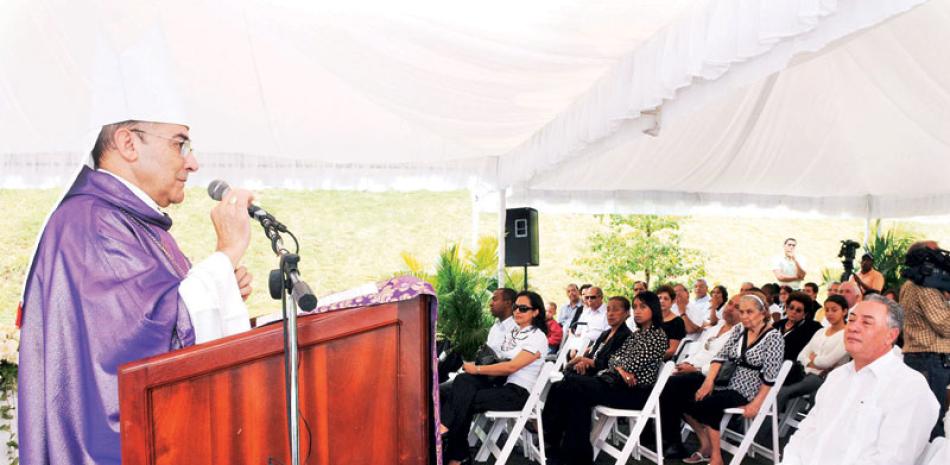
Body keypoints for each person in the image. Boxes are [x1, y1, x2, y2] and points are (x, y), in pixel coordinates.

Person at [18, 119, 256, 465]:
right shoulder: (93, 223)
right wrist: (227, 253)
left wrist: (219, 288)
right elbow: (140, 341)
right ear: (128, 143)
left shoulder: (127, 219)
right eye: (181, 145)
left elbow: (161, 313)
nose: (193, 163)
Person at [780, 296, 939, 465]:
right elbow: (806, 432)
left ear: (891, 335)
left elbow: (892, 459)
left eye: (866, 323)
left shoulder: (909, 388)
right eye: (852, 320)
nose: (853, 327)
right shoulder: (838, 377)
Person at [543, 292, 668, 465]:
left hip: (633, 393)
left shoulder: (657, 336)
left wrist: (619, 366)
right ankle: (568, 453)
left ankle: (550, 436)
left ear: (653, 309)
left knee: (570, 384)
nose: (638, 311)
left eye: (643, 307)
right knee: (571, 392)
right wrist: (619, 367)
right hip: (614, 383)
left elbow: (629, 364)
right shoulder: (638, 335)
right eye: (636, 307)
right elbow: (614, 359)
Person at [438, 290, 549, 465]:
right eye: (515, 307)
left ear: (535, 312)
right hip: (501, 386)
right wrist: (474, 368)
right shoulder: (515, 333)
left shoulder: (537, 337)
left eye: (523, 308)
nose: (517, 312)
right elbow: (498, 358)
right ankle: (456, 452)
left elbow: (512, 366)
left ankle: (451, 442)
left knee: (461, 398)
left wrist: (477, 369)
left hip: (517, 393)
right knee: (462, 381)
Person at [682, 292, 784, 465]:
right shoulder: (740, 329)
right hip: (729, 384)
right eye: (742, 311)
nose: (744, 316)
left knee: (709, 404)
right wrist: (708, 383)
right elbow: (719, 357)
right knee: (685, 398)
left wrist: (756, 403)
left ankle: (716, 457)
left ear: (763, 312)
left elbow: (770, 377)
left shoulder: (774, 338)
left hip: (751, 390)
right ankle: (707, 444)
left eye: (749, 312)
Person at [660, 295, 741, 459]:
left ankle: (673, 441)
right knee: (659, 377)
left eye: (737, 307)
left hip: (710, 376)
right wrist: (684, 364)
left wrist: (695, 368)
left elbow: (726, 364)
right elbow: (698, 352)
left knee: (670, 386)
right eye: (730, 303)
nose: (730, 308)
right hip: (691, 369)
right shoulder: (715, 327)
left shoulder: (740, 334)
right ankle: (656, 436)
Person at [900, 241, 950, 439]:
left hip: (924, 358)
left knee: (923, 418)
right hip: (929, 360)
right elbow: (946, 326)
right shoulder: (924, 287)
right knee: (930, 422)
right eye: (935, 252)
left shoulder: (913, 283)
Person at [776, 294, 850, 412]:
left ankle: (764, 430)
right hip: (803, 372)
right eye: (827, 310)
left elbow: (826, 363)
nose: (829, 313)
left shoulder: (847, 335)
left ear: (845, 311)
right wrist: (812, 362)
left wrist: (813, 360)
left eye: (834, 310)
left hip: (822, 378)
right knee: (773, 387)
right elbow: (801, 356)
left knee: (782, 392)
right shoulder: (821, 331)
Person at [566, 296, 632, 376]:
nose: (610, 313)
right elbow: (592, 355)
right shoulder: (605, 333)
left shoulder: (625, 336)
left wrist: (582, 359)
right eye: (608, 310)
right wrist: (582, 363)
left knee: (565, 379)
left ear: (626, 313)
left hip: (603, 377)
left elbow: (608, 364)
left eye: (615, 310)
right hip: (590, 372)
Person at [773, 291, 823, 383]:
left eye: (798, 310)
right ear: (786, 308)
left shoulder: (812, 327)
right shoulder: (777, 325)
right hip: (770, 368)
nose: (793, 312)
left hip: (791, 372)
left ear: (805, 313)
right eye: (791, 308)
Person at [656, 285, 687, 360]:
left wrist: (651, 358)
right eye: (659, 298)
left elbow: (672, 350)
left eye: (666, 299)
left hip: (663, 362)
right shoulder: (652, 319)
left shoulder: (677, 322)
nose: (662, 301)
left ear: (672, 302)